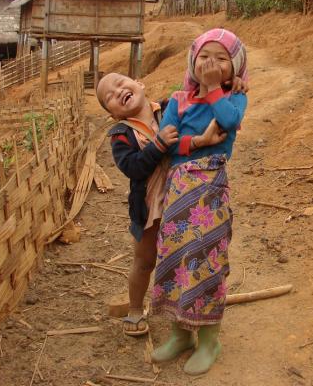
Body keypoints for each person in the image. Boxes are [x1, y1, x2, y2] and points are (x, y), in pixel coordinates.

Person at [96, 72, 228, 337]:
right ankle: (135, 310)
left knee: (184, 257)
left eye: (120, 83)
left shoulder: (171, 107)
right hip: (150, 208)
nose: (118, 91)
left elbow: (200, 93)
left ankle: (183, 309)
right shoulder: (121, 135)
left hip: (184, 197)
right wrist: (157, 145)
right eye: (109, 96)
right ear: (113, 115)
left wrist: (228, 83)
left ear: (140, 84)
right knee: (144, 261)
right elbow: (132, 167)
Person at [150, 28, 248, 375]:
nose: (211, 63)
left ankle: (209, 341)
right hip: (179, 189)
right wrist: (198, 141)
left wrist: (214, 89)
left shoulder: (235, 98)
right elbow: (167, 141)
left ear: (235, 67)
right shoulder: (177, 100)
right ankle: (180, 335)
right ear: (192, 62)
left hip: (211, 191)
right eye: (204, 57)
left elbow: (230, 121)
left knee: (206, 261)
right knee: (176, 259)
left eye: (221, 59)